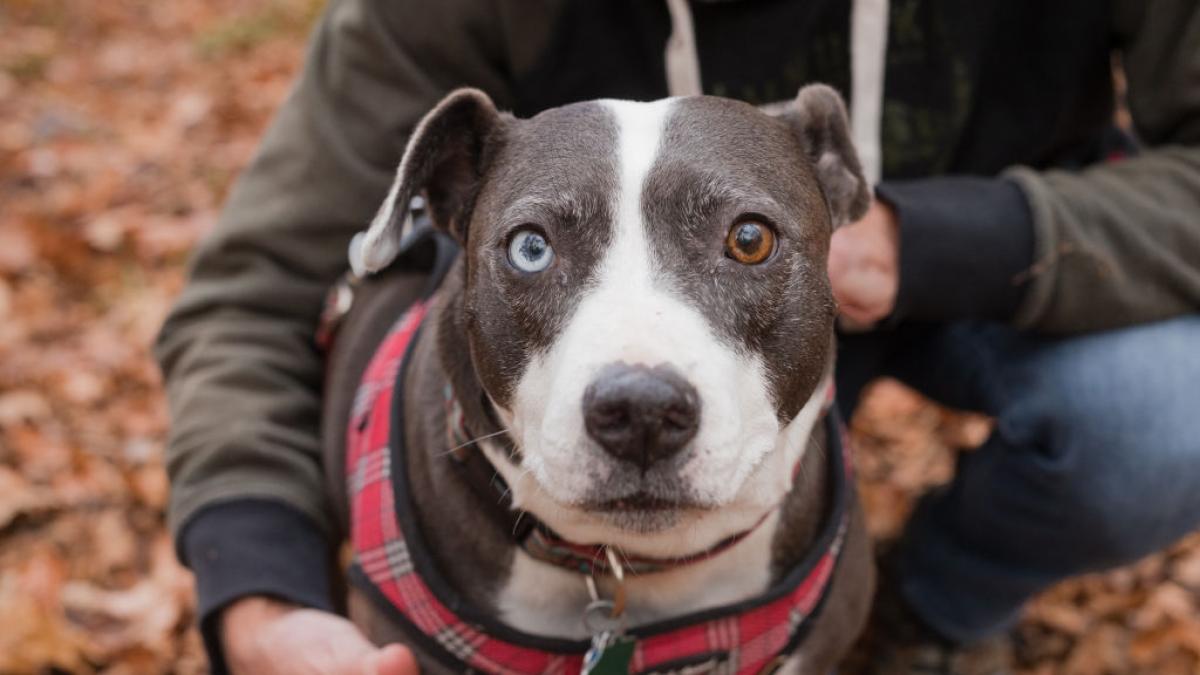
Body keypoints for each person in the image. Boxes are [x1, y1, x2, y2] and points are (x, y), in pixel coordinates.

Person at [155, 1, 1200, 673]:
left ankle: (931, 610)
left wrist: (949, 240)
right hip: (509, 487)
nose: (639, 398)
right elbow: (254, 288)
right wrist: (257, 597)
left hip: (968, 278)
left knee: (1166, 413)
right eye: (530, 246)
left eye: (745, 234)